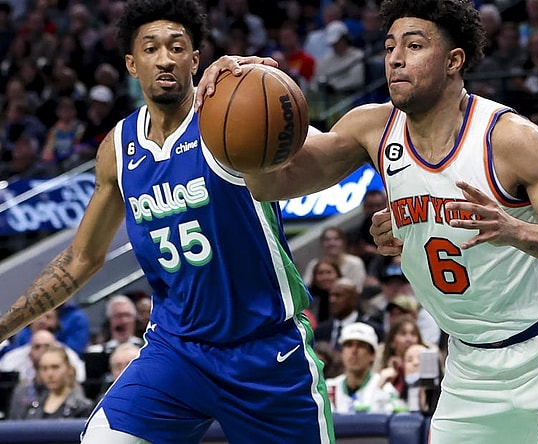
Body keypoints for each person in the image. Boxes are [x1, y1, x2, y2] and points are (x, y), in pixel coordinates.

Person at [195, 1, 538, 442]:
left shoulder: (509, 138)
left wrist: (516, 230)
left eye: (414, 45)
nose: (395, 58)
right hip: (471, 366)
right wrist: (240, 108)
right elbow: (273, 184)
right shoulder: (371, 128)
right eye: (389, 47)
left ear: (453, 61)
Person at [0, 0, 333, 442]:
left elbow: (332, 151)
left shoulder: (233, 116)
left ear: (195, 60)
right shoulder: (118, 147)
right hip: (177, 351)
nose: (164, 58)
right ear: (131, 64)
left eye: (177, 47)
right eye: (151, 48)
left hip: (264, 352)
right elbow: (81, 257)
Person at [7, 345, 93, 420]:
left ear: (69, 369)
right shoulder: (31, 406)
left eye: (55, 367)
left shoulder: (82, 407)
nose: (49, 374)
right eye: (44, 368)